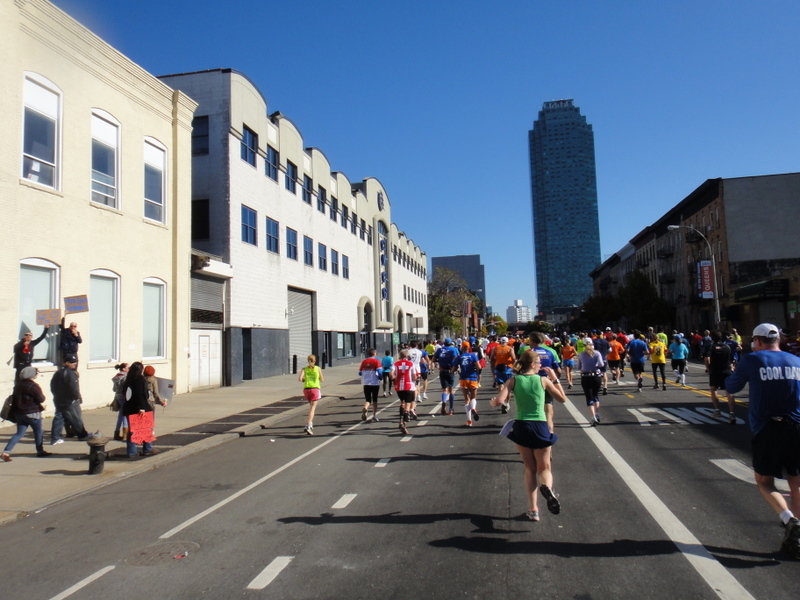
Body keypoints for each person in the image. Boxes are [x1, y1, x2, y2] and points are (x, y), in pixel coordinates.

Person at [724, 324, 800, 559]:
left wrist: (732, 371)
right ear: (778, 339)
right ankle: (799, 532)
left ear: (757, 341)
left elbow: (732, 386)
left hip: (767, 428)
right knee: (796, 481)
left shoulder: (753, 360)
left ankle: (789, 520)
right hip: (796, 425)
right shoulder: (796, 361)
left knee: (765, 482)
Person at [490, 350, 566, 521]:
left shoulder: (514, 380)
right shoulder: (543, 380)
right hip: (540, 424)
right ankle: (547, 488)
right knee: (544, 468)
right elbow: (562, 399)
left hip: (522, 425)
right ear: (532, 364)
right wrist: (555, 378)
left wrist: (493, 401)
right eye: (538, 362)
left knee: (529, 468)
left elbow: (499, 400)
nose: (540, 365)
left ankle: (533, 509)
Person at [1, 367, 50, 461]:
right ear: (32, 375)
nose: (36, 375)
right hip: (32, 413)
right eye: (36, 373)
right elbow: (41, 399)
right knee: (38, 432)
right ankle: (40, 451)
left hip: (19, 413)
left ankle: (6, 452)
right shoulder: (33, 386)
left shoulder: (18, 385)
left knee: (19, 433)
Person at [50, 353, 91, 444]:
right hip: (69, 401)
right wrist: (76, 397)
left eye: (75, 362)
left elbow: (52, 386)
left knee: (59, 417)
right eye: (72, 362)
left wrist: (56, 396)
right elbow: (74, 388)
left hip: (59, 400)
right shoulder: (70, 374)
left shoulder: (58, 373)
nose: (74, 364)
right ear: (67, 363)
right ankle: (82, 435)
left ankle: (55, 437)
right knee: (75, 418)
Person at [121, 361, 156, 456]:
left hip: (129, 407)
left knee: (132, 430)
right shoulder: (140, 379)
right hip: (140, 407)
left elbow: (125, 393)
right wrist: (142, 407)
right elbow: (140, 394)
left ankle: (131, 451)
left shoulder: (128, 379)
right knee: (146, 428)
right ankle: (147, 448)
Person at [704, 331, 735, 423]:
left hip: (715, 371)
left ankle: (717, 410)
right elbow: (731, 359)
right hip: (726, 370)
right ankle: (732, 413)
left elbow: (707, 358)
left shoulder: (711, 346)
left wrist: (708, 367)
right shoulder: (726, 346)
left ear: (712, 338)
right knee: (729, 392)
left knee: (714, 389)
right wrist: (731, 367)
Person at [577, 338, 605, 425]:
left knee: (589, 397)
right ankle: (597, 414)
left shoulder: (581, 354)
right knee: (595, 395)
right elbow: (601, 364)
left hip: (586, 377)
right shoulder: (597, 353)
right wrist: (595, 365)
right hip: (596, 376)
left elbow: (578, 367)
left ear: (584, 345)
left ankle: (592, 417)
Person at [392, 349, 417, 435]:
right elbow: (414, 376)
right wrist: (415, 379)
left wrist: (393, 379)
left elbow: (391, 373)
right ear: (407, 356)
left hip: (399, 387)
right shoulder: (411, 364)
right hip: (408, 385)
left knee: (402, 402)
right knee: (408, 403)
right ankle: (404, 419)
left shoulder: (395, 364)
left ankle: (400, 420)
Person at [489, 337, 517, 413]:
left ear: (500, 341)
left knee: (500, 385)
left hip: (498, 368)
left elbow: (491, 358)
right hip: (508, 368)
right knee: (508, 387)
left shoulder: (496, 348)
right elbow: (513, 358)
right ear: (507, 342)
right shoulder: (510, 349)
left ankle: (502, 400)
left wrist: (493, 366)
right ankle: (507, 403)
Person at [433, 339, 460, 416]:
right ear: (451, 343)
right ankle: (451, 408)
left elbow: (433, 359)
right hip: (450, 370)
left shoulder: (440, 350)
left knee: (444, 390)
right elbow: (457, 358)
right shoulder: (454, 349)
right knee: (451, 390)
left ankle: (444, 401)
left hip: (442, 370)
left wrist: (440, 361)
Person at [298, 355, 323, 435]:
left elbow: (300, 379)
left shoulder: (304, 369)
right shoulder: (317, 368)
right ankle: (308, 425)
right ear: (315, 361)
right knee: (313, 408)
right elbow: (322, 379)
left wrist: (305, 379)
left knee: (310, 406)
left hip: (306, 389)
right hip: (315, 389)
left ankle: (310, 422)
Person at [457, 345, 480, 426]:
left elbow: (454, 368)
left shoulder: (459, 357)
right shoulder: (473, 356)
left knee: (466, 399)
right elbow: (479, 367)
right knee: (473, 396)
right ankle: (473, 408)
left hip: (463, 378)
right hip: (472, 378)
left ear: (462, 348)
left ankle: (469, 420)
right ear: (469, 348)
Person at [359, 348, 382, 423]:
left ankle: (365, 408)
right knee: (375, 399)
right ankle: (374, 415)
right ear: (374, 354)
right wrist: (380, 377)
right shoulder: (376, 361)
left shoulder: (364, 361)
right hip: (374, 382)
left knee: (368, 399)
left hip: (366, 383)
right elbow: (379, 371)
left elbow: (360, 373)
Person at [111, 363, 129, 440]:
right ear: (124, 369)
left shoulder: (116, 377)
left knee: (121, 415)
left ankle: (117, 432)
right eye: (128, 367)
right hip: (124, 397)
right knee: (125, 415)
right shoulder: (125, 377)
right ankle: (125, 434)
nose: (129, 369)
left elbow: (114, 389)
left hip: (118, 397)